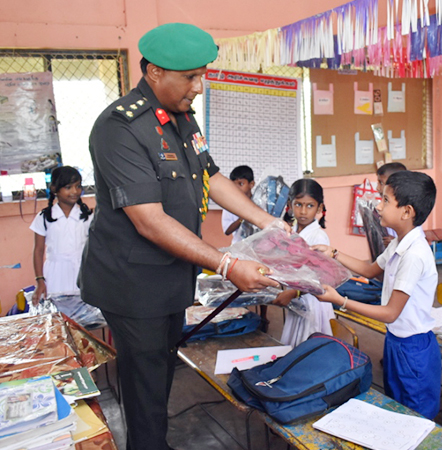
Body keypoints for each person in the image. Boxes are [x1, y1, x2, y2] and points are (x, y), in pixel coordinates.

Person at [79, 23, 285, 450]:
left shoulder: (182, 118)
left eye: (202, 75)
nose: (199, 87)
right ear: (154, 72)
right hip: (133, 285)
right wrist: (227, 264)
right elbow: (149, 221)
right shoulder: (119, 128)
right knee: (145, 382)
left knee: (159, 372)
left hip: (171, 278)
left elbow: (212, 176)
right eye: (191, 77)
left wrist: (268, 221)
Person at [314, 171, 441, 420]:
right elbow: (370, 270)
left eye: (385, 200)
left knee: (416, 416)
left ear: (407, 212)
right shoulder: (399, 243)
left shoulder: (414, 255)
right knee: (397, 407)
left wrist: (340, 301)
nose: (378, 206)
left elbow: (390, 313)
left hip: (413, 348)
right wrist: (334, 253)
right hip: (396, 341)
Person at [273, 178, 333, 346]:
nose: (303, 211)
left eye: (310, 206)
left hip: (313, 302)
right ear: (290, 205)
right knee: (294, 344)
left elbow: (320, 277)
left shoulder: (318, 237)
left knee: (308, 346)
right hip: (297, 301)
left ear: (319, 208)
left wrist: (294, 293)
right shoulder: (290, 232)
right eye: (298, 205)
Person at [30, 166, 93, 305]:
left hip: (82, 272)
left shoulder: (87, 216)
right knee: (59, 313)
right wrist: (40, 280)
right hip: (55, 274)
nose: (74, 191)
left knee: (86, 312)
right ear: (54, 189)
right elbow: (38, 250)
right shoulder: (44, 217)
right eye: (68, 187)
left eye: (78, 186)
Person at [222, 165, 255, 244]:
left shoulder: (258, 201)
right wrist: (242, 218)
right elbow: (227, 231)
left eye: (241, 184)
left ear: (251, 184)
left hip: (258, 247)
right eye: (234, 185)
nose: (237, 188)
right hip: (239, 246)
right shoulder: (229, 205)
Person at [376, 162, 406, 246]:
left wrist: (396, 241)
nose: (377, 188)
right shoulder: (386, 204)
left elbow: (412, 237)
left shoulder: (405, 208)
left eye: (381, 183)